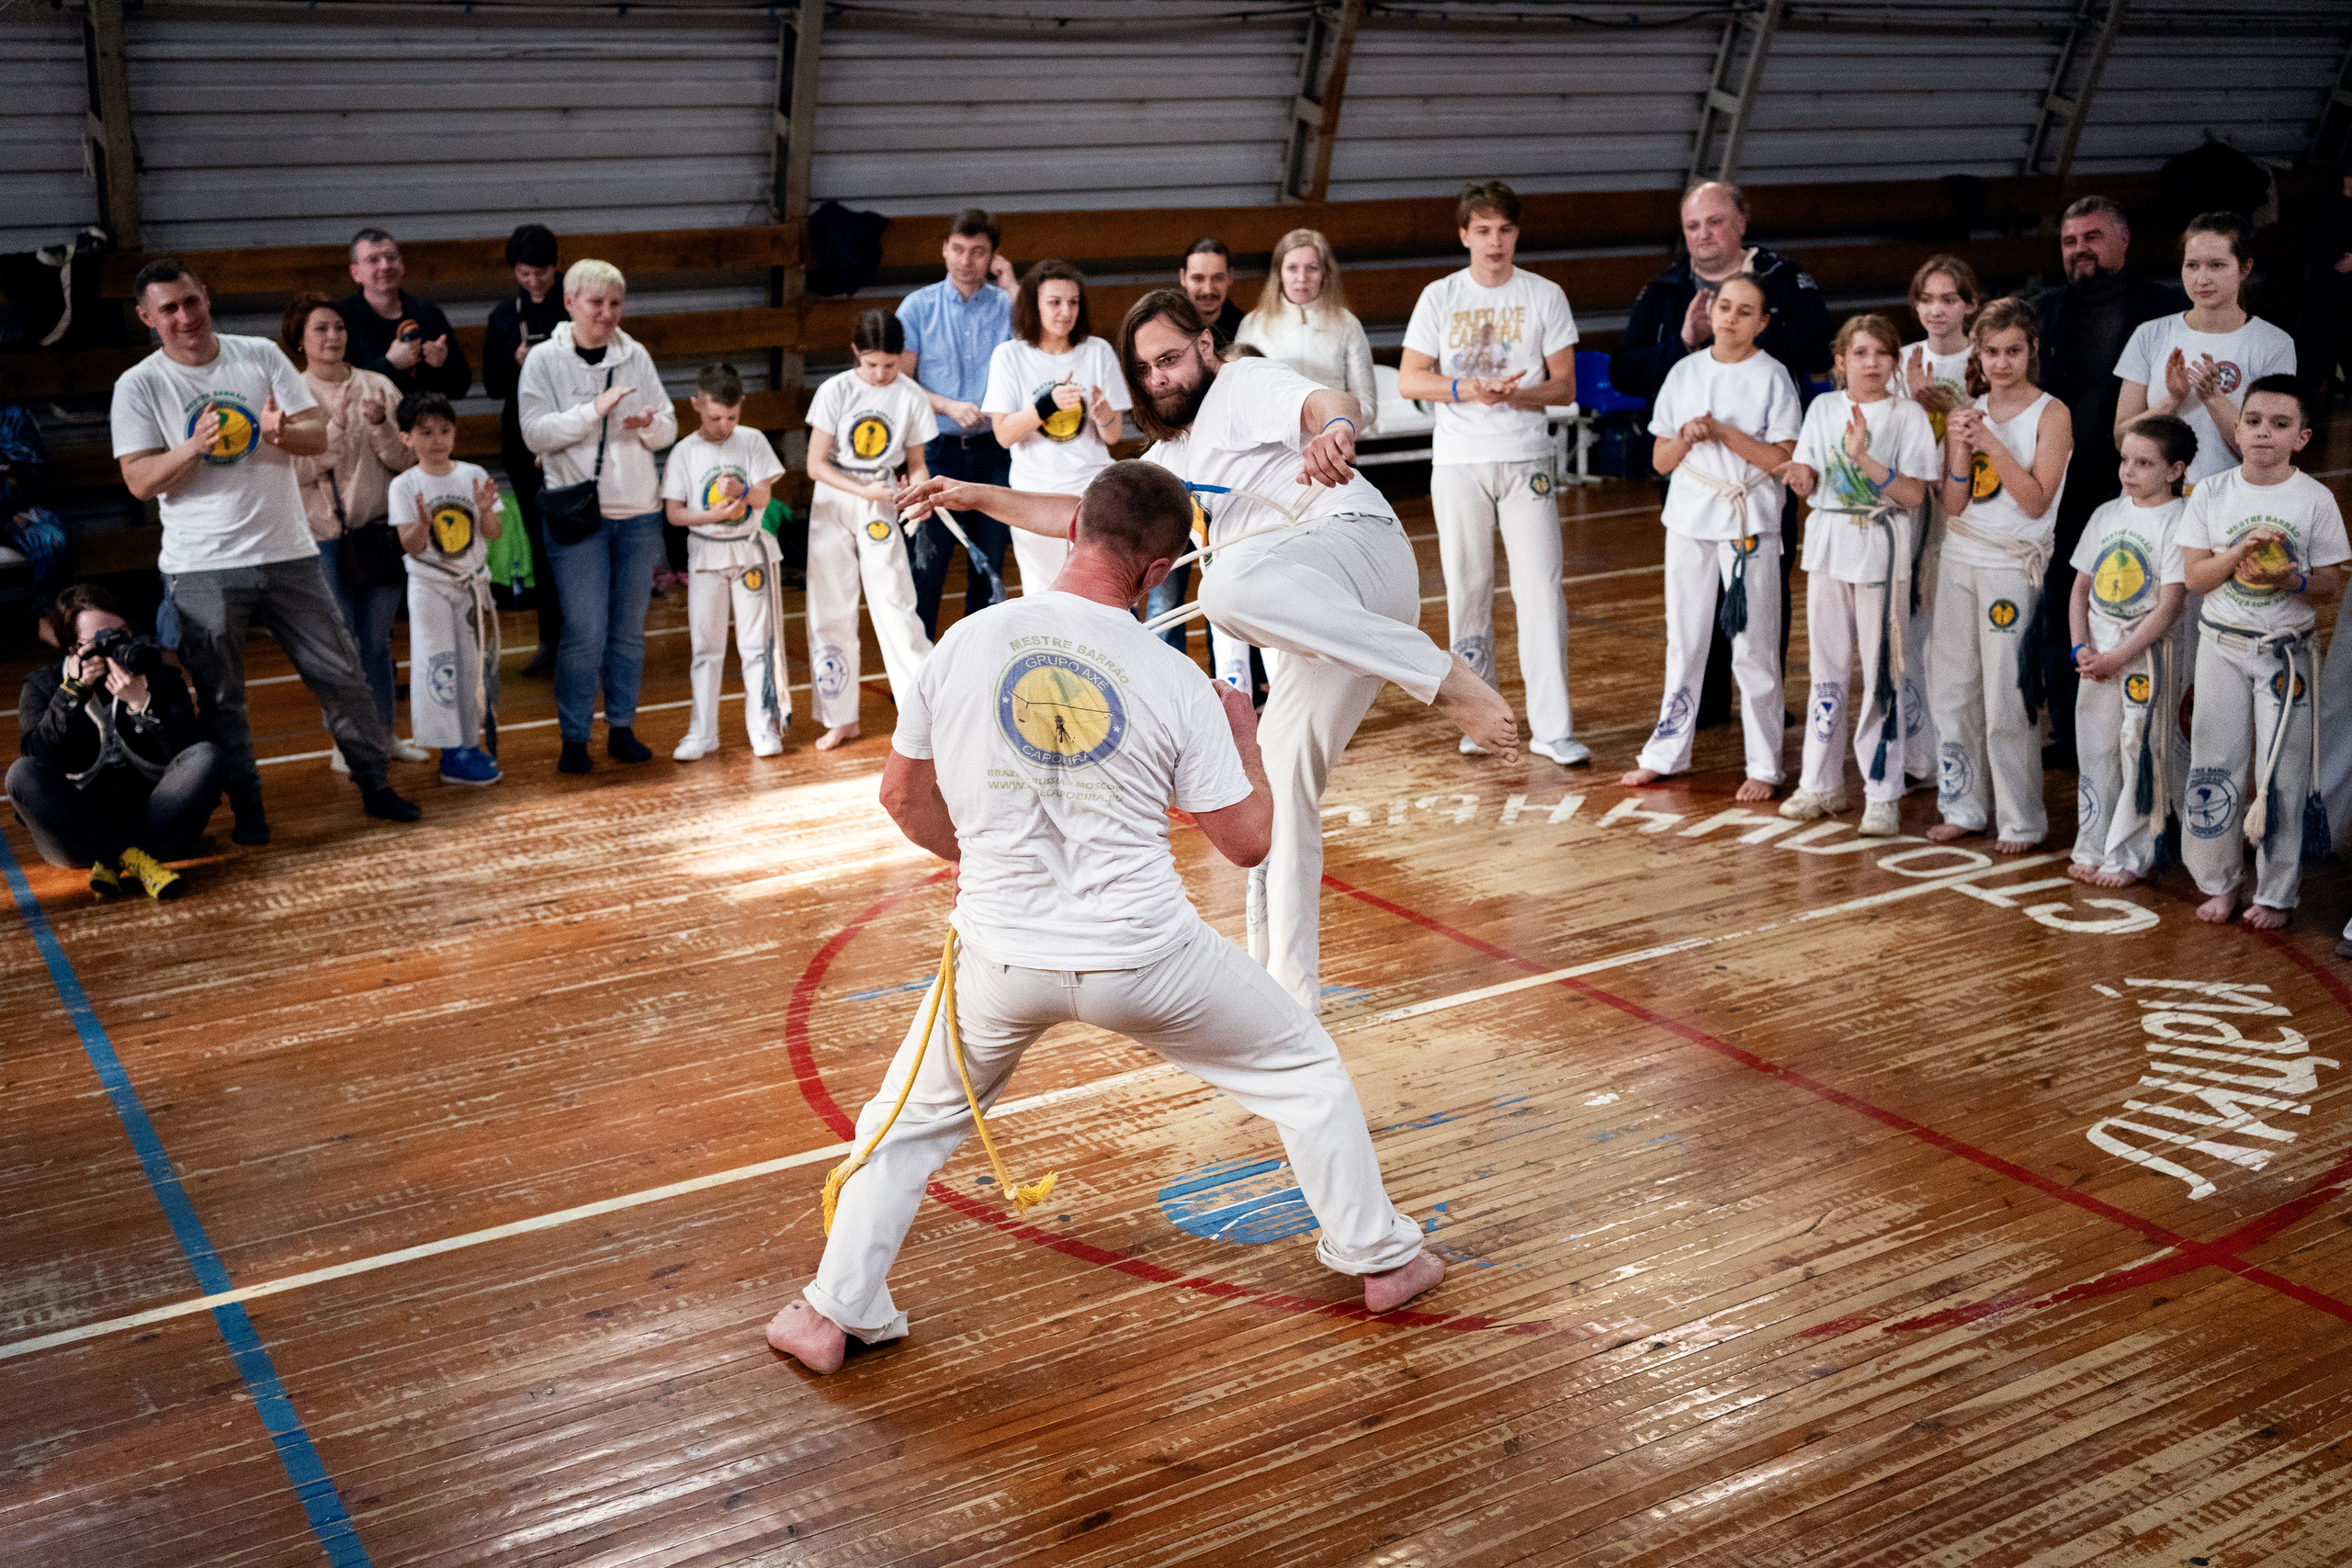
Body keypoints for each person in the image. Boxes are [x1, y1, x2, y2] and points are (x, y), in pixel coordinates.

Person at [763, 461, 1446, 1374]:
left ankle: (829, 1311)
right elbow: (1246, 845)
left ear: (1073, 524)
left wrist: (996, 868)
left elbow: (898, 796)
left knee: (906, 1120)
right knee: (1302, 1067)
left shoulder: (968, 640)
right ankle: (1380, 1258)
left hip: (998, 956)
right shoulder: (1172, 679)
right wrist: (1245, 739)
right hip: (1145, 958)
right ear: (1159, 571)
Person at [900, 289, 1517, 1014]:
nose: (1160, 376)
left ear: (1205, 346)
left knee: (1224, 589)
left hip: (1355, 549)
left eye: (1170, 357)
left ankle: (1442, 676)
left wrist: (1336, 430)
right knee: (1276, 798)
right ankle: (1290, 1000)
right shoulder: (1167, 459)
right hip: (1314, 618)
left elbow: (1327, 400)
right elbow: (1084, 515)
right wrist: (976, 494)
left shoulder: (1245, 385)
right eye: (1146, 368)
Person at [110, 258, 421, 841]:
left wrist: (282, 433)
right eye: (169, 309)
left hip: (289, 551)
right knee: (223, 700)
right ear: (147, 317)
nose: (185, 316)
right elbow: (140, 480)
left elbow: (316, 433)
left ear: (207, 298)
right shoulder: (140, 384)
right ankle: (249, 811)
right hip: (201, 564)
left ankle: (375, 785)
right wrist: (193, 447)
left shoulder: (257, 354)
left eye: (192, 302)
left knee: (343, 675)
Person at [1611, 180, 1833, 726]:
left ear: (1741, 222)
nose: (1703, 235)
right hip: (1690, 467)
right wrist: (1684, 345)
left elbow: (1816, 347)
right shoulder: (1665, 287)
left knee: (1762, 592)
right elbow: (1623, 370)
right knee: (1695, 598)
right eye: (1692, 226)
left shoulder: (1784, 279)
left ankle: (1764, 704)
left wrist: (1735, 340)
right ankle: (1704, 704)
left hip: (1761, 467)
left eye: (1714, 222)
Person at [1399, 181, 1588, 766]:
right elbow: (1410, 380)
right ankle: (1481, 718)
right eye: (1483, 231)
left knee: (1539, 591)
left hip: (1526, 457)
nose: (1494, 241)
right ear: (1464, 236)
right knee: (1468, 590)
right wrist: (1465, 390)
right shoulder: (1439, 296)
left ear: (1516, 234)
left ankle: (1553, 728)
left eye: (1504, 230)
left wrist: (1516, 394)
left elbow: (1565, 388)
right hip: (1458, 462)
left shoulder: (1545, 295)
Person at [1621, 275, 1799, 803]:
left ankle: (1765, 764)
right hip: (1691, 517)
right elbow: (1660, 461)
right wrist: (1687, 436)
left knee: (1754, 646)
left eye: (1746, 311)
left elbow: (1784, 460)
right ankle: (1666, 753)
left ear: (1762, 323)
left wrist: (1724, 433)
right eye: (1724, 307)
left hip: (1747, 519)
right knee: (1687, 639)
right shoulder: (1684, 372)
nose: (1731, 318)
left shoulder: (1773, 376)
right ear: (1710, 311)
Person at [2178, 377, 2346, 930]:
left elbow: (2329, 585)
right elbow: (2197, 578)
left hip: (2285, 653)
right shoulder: (2211, 492)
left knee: (2283, 773)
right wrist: (2237, 557)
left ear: (2302, 437)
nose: (2263, 434)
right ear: (2236, 427)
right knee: (2214, 763)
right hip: (2221, 645)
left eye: (2279, 425)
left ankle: (2275, 891)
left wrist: (2290, 579)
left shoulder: (2314, 498)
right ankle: (2218, 882)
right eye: (2253, 421)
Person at [2032, 196, 2185, 765]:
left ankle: (2149, 723)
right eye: (2071, 241)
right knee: (2059, 611)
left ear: (2124, 241)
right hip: (2059, 490)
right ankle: (2070, 735)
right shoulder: (2044, 310)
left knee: (2141, 605)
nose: (2080, 250)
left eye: (2093, 237)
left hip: (2137, 490)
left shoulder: (2164, 311)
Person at [1779, 314, 1939, 831]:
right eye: (1861, 353)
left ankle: (1882, 791)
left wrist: (1865, 459)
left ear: (1894, 362)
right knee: (1825, 671)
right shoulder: (1823, 408)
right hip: (1828, 545)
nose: (1871, 363)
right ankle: (1819, 785)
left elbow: (1915, 495)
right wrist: (1800, 476)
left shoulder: (1908, 416)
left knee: (1881, 676)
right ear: (1842, 360)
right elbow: (1807, 479)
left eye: (1882, 354)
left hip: (1881, 546)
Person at [1927, 298, 2075, 854]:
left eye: (2013, 351)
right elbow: (1956, 503)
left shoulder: (2051, 413)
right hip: (1961, 555)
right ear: (1978, 355)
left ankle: (2021, 820)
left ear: (2031, 350)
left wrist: (1990, 441)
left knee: (2006, 696)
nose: (2002, 362)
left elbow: (2037, 500)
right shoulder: (1972, 408)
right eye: (1991, 352)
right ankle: (1962, 804)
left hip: (2013, 563)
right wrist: (1960, 443)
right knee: (1952, 688)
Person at [519, 258, 676, 775]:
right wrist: (594, 411)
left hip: (638, 512)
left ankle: (623, 727)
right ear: (569, 304)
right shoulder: (543, 360)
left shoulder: (637, 355)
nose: (607, 314)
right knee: (584, 629)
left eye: (615, 304)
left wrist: (648, 425)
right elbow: (534, 434)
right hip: (577, 514)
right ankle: (574, 737)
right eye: (596, 304)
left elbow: (668, 429)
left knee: (628, 630)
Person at [280, 290, 433, 769]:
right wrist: (338, 431)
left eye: (339, 328)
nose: (333, 337)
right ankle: (346, 742)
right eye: (320, 329)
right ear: (300, 341)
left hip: (379, 532)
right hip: (323, 537)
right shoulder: (290, 394)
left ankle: (385, 734)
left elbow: (409, 459)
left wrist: (383, 426)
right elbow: (293, 474)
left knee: (377, 641)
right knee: (339, 643)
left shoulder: (378, 385)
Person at [10, 582, 227, 899]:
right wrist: (70, 695)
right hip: (77, 836)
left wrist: (143, 706)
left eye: (121, 634)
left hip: (158, 823)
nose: (114, 647)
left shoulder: (159, 676)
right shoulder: (43, 686)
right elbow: (38, 756)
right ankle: (131, 857)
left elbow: (188, 753)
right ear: (72, 647)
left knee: (209, 756)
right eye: (100, 642)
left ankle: (117, 858)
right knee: (22, 773)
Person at [2066, 415, 2194, 888]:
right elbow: (2080, 588)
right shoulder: (2106, 514)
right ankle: (2093, 844)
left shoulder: (2180, 522)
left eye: (2145, 463)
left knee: (2139, 749)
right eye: (2125, 460)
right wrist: (2082, 646)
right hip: (2097, 655)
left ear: (2175, 470)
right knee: (2096, 747)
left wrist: (2119, 655)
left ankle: (2131, 854)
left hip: (2145, 656)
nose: (2129, 471)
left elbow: (2169, 606)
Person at [803, 310, 939, 752]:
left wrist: (920, 494)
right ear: (855, 353)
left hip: (882, 499)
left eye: (890, 365)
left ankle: (924, 717)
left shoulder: (910, 394)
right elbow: (814, 464)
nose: (881, 374)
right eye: (871, 364)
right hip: (835, 497)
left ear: (902, 358)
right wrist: (862, 488)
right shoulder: (835, 390)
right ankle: (840, 718)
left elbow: (916, 463)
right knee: (830, 610)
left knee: (898, 605)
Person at [896, 209, 1017, 638]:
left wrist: (1014, 286)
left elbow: (1035, 356)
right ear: (945, 249)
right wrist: (947, 405)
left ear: (993, 257)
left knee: (988, 567)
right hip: (935, 450)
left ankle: (979, 670)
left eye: (978, 251)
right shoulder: (917, 307)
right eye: (959, 249)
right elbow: (901, 384)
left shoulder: (1008, 305)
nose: (967, 260)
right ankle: (917, 674)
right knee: (926, 567)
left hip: (994, 453)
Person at [2115, 212, 2298, 491]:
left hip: (2232, 499)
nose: (2202, 278)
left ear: (2245, 269)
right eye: (2192, 265)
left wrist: (2213, 398)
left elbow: (2269, 452)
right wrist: (2170, 403)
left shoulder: (2273, 343)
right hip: (2157, 500)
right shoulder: (2149, 334)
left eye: (2216, 265)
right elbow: (2121, 438)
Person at [982, 260, 1129, 596]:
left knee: (1101, 591)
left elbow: (1113, 435)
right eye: (1055, 302)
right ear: (1034, 305)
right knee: (1044, 595)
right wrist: (1046, 405)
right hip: (1036, 495)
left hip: (1092, 489)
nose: (1065, 311)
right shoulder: (1010, 356)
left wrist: (1105, 412)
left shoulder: (1098, 351)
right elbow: (1004, 435)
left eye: (1073, 302)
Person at [664, 364, 788, 761]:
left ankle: (763, 728)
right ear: (696, 404)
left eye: (732, 417)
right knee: (706, 647)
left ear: (742, 407)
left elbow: (764, 498)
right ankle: (702, 733)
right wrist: (711, 517)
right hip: (705, 553)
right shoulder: (685, 451)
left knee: (755, 645)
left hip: (749, 550)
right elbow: (674, 513)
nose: (724, 426)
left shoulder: (751, 441)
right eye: (716, 417)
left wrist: (742, 490)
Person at [385, 393, 503, 787]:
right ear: (406, 438)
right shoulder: (405, 485)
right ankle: (451, 753)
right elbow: (412, 545)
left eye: (445, 430)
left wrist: (485, 512)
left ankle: (469, 743)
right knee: (439, 664)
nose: (437, 440)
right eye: (426, 432)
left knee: (471, 667)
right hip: (430, 587)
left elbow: (493, 534)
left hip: (468, 586)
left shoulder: (472, 474)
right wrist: (420, 524)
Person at [1896, 254, 1984, 783]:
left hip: (1966, 508)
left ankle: (1959, 750)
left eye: (1949, 299)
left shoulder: (1986, 358)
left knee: (1951, 634)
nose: (1937, 310)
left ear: (1970, 304)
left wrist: (1953, 405)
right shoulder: (1903, 358)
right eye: (1927, 299)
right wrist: (1908, 402)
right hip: (1910, 508)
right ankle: (1915, 753)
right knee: (1908, 631)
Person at [484, 224, 570, 678]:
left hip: (571, 436)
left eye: (540, 272)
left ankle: (584, 636)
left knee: (575, 535)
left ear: (555, 266)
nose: (533, 281)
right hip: (522, 439)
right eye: (524, 273)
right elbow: (492, 383)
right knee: (538, 537)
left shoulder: (574, 307)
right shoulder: (503, 316)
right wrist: (514, 361)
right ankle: (550, 639)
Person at [1238, 229, 1379, 428]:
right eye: (1292, 268)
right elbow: (1240, 397)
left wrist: (1338, 427)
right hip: (1272, 445)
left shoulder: (1348, 324)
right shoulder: (1253, 325)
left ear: (1325, 273)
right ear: (1279, 273)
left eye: (1312, 268)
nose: (1302, 278)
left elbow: (1366, 404)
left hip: (1333, 444)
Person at [338, 228, 472, 402]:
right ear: (355, 273)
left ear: (401, 264)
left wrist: (443, 364)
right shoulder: (341, 320)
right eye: (373, 260)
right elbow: (340, 386)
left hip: (425, 424)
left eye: (390, 257)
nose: (385, 266)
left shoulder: (429, 313)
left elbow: (460, 388)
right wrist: (389, 364)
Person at [1181, 237, 1248, 347]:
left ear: (1230, 276)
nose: (1208, 290)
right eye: (1198, 278)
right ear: (1183, 277)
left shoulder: (1246, 330)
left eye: (1218, 278)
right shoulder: (1169, 328)